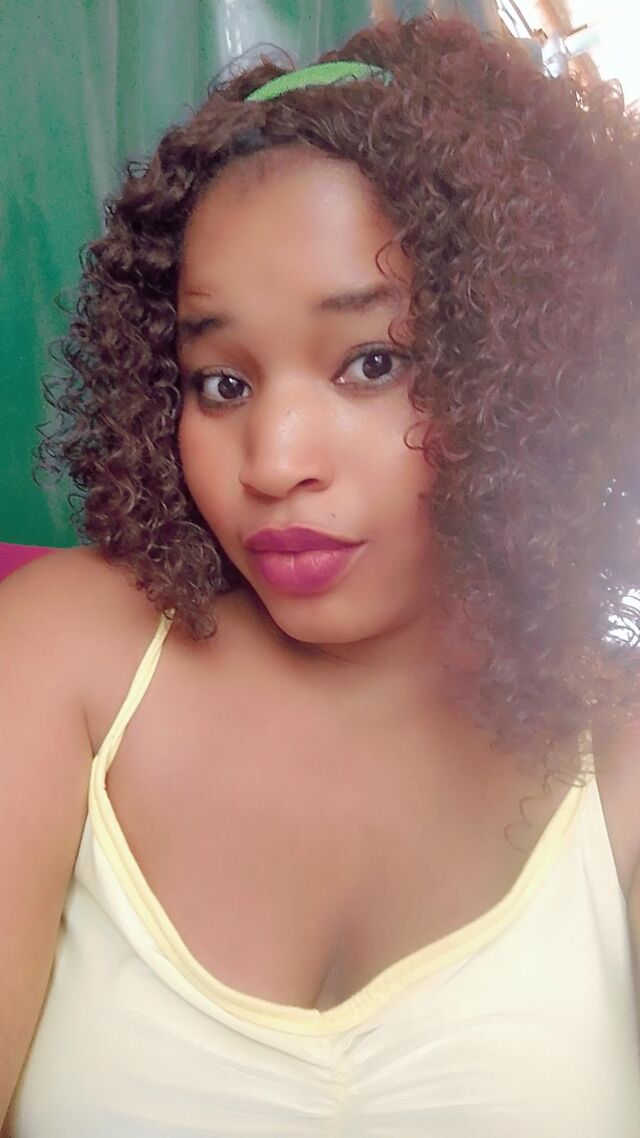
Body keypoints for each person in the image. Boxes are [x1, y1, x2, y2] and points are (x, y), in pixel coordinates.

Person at [2, 12, 640, 1136]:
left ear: (515, 367)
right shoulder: (63, 659)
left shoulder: (617, 756)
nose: (275, 460)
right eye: (222, 383)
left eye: (372, 363)